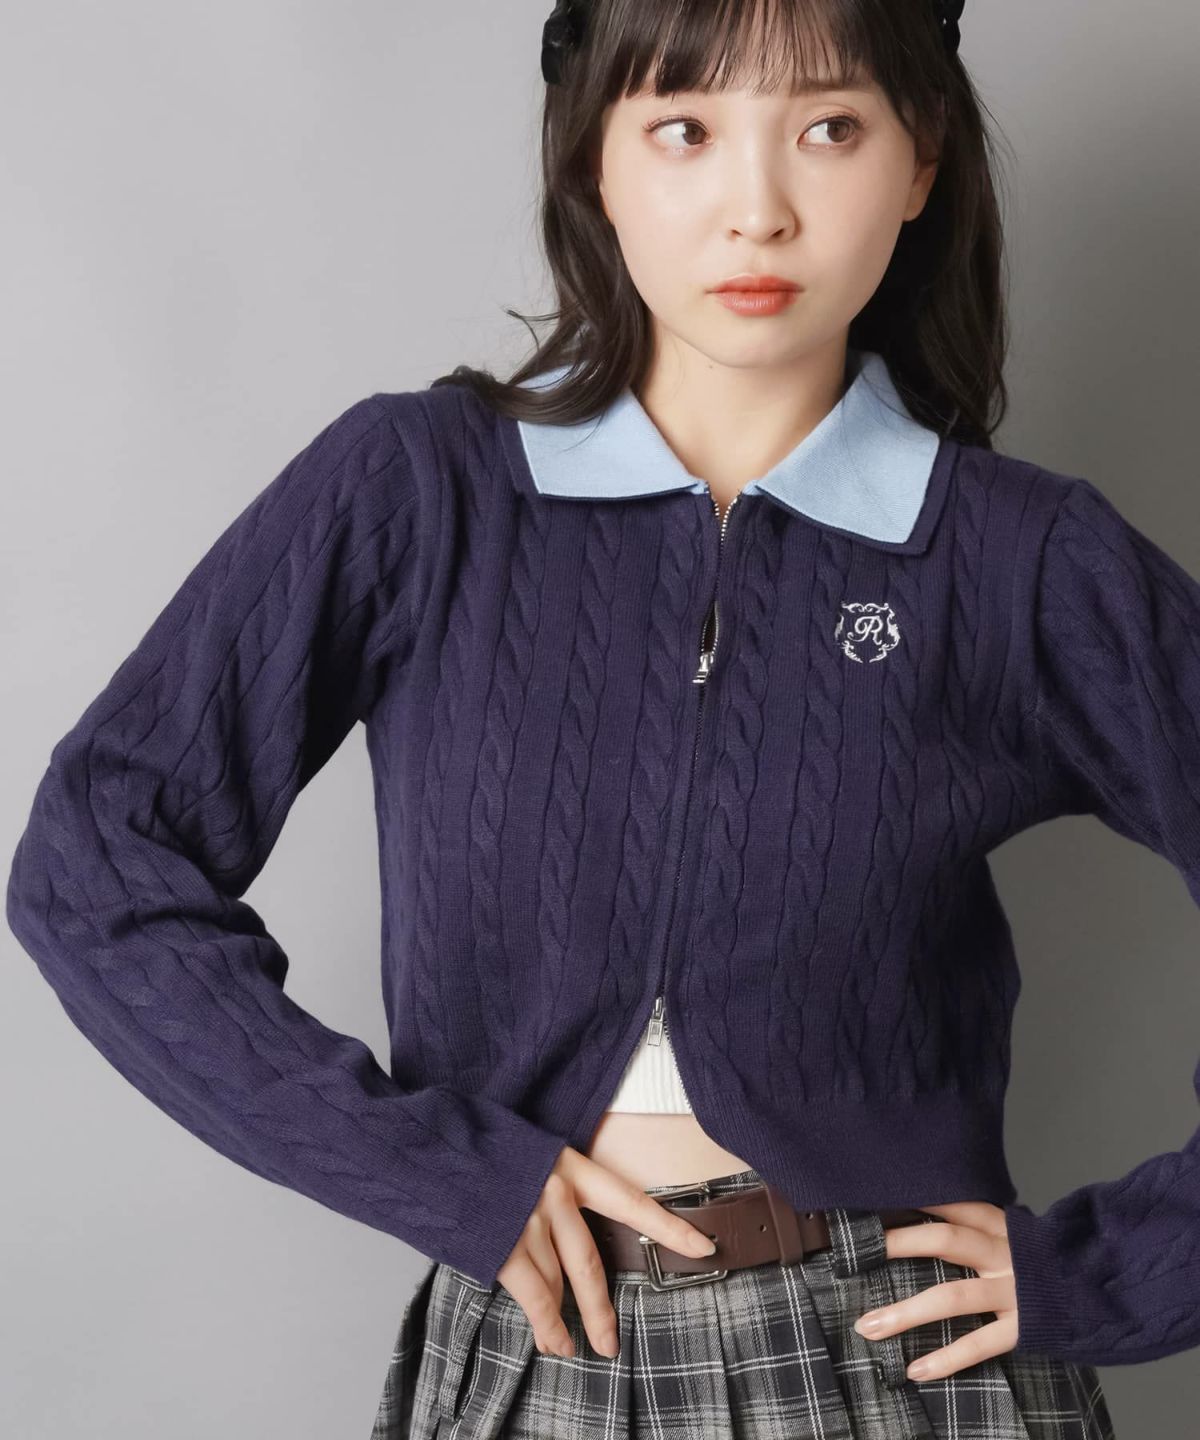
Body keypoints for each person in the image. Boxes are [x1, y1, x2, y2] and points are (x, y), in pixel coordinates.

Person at [12, 0, 1200, 1434]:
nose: (757, 209)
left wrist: (1129, 1268)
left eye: (830, 128)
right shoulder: (422, 494)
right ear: (593, 160)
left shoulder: (1018, 558)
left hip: (899, 1365)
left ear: (921, 161)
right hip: (537, 1348)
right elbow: (95, 860)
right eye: (684, 130)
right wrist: (432, 1172)